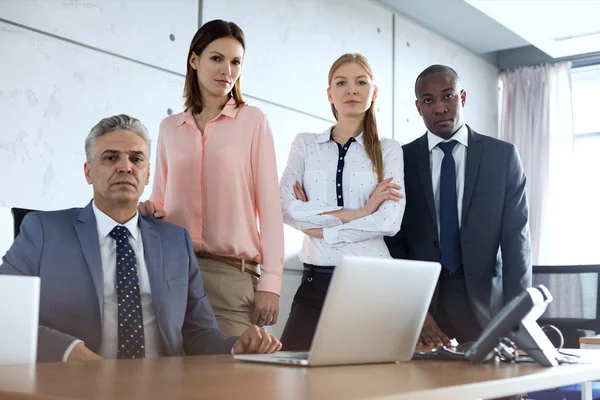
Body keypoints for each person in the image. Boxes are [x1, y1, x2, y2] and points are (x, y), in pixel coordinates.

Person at [0, 115, 281, 362]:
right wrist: (70, 351)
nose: (125, 167)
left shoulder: (176, 243)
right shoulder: (44, 231)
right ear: (88, 172)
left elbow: (199, 333)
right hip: (77, 388)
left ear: (147, 174)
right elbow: (6, 314)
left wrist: (237, 347)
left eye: (136, 159)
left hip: (161, 389)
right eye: (110, 158)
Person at [138, 20, 283, 336]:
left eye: (235, 62)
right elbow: (161, 198)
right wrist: (148, 208)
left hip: (230, 277)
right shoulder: (168, 128)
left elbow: (270, 208)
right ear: (194, 61)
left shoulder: (253, 121)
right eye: (217, 58)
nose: (227, 71)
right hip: (173, 273)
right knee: (172, 379)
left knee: (231, 381)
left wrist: (272, 281)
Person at [385, 65, 532, 346]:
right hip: (424, 306)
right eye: (429, 100)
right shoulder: (399, 160)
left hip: (486, 305)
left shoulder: (502, 157)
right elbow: (394, 243)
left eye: (448, 96)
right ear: (418, 107)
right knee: (425, 388)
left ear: (462, 97)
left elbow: (517, 240)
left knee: (498, 388)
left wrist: (518, 317)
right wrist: (417, 311)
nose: (440, 107)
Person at [278, 53, 406, 351]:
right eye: (342, 83)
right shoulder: (305, 144)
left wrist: (320, 227)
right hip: (315, 281)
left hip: (371, 281)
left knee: (363, 385)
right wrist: (361, 212)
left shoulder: (389, 150)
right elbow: (284, 206)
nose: (351, 90)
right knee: (290, 376)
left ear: (373, 92)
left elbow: (389, 221)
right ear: (329, 94)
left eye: (361, 82)